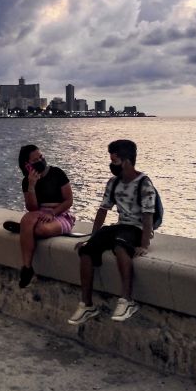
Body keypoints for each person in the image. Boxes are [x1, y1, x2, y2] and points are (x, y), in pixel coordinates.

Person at [69, 139, 158, 325]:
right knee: (86, 250)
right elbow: (103, 210)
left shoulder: (144, 183)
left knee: (120, 246)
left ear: (126, 161)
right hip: (121, 225)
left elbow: (148, 215)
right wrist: (93, 238)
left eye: (115, 161)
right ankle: (86, 304)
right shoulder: (113, 183)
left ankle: (126, 300)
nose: (112, 165)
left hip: (136, 228)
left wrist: (144, 244)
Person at [3, 144, 74, 288]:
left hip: (60, 214)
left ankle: (25, 230)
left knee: (41, 230)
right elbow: (32, 208)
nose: (41, 160)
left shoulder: (57, 173)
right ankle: (27, 268)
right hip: (38, 214)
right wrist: (31, 185)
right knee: (28, 218)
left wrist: (53, 213)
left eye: (41, 156)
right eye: (36, 159)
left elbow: (69, 200)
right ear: (27, 165)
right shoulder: (27, 181)